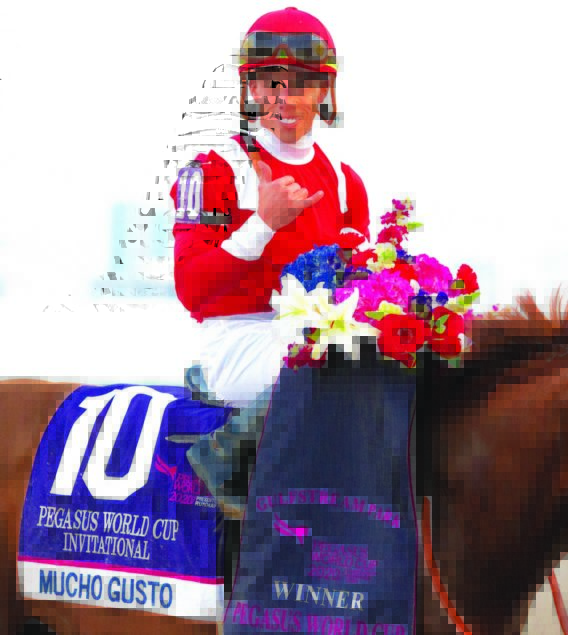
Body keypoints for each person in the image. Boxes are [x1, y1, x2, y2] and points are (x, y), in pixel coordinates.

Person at [170, 6, 371, 519]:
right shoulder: (212, 170)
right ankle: (223, 460)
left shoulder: (345, 182)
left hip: (311, 336)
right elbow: (191, 287)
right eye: (269, 82)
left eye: (300, 83)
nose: (283, 98)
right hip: (235, 343)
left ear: (324, 92)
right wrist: (262, 223)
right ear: (250, 89)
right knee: (334, 360)